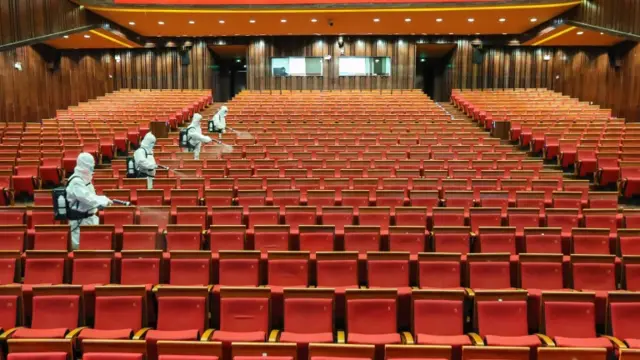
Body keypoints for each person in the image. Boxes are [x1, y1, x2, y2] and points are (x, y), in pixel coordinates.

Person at [66, 153, 112, 250]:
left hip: (90, 221)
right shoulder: (76, 182)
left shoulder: (85, 180)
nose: (92, 168)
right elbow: (88, 198)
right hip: (79, 224)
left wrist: (103, 199)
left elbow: (92, 196)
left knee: (94, 248)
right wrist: (103, 201)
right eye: (90, 165)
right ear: (85, 165)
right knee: (81, 250)